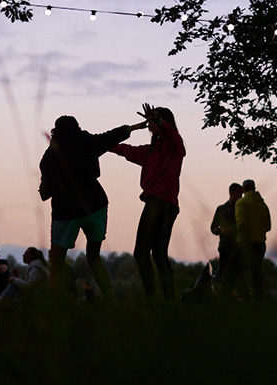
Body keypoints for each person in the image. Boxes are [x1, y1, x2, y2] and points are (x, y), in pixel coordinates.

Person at [39, 115, 144, 299]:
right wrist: (133, 127)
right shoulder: (87, 142)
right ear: (77, 128)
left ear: (56, 131)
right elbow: (109, 137)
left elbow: (44, 192)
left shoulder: (49, 156)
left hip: (66, 211)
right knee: (94, 258)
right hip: (95, 205)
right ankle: (110, 302)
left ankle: (56, 304)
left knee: (57, 261)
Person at [110, 103, 186, 301]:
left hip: (163, 204)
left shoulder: (173, 146)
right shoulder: (150, 151)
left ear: (164, 122)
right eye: (150, 120)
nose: (150, 123)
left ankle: (167, 301)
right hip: (153, 202)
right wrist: (103, 144)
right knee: (145, 254)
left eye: (154, 119)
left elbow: (175, 140)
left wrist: (160, 121)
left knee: (156, 253)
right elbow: (126, 150)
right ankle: (154, 299)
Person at [224, 179, 271, 300]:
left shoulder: (242, 203)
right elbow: (268, 227)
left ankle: (224, 298)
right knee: (256, 274)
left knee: (230, 271)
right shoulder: (263, 205)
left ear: (243, 190)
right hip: (260, 244)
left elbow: (242, 224)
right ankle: (259, 301)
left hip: (246, 244)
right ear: (254, 188)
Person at [210, 183, 243, 282]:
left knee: (237, 276)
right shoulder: (221, 209)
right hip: (224, 246)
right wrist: (221, 231)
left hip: (238, 247)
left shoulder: (241, 209)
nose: (241, 196)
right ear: (231, 192)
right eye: (239, 193)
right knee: (223, 274)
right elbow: (213, 227)